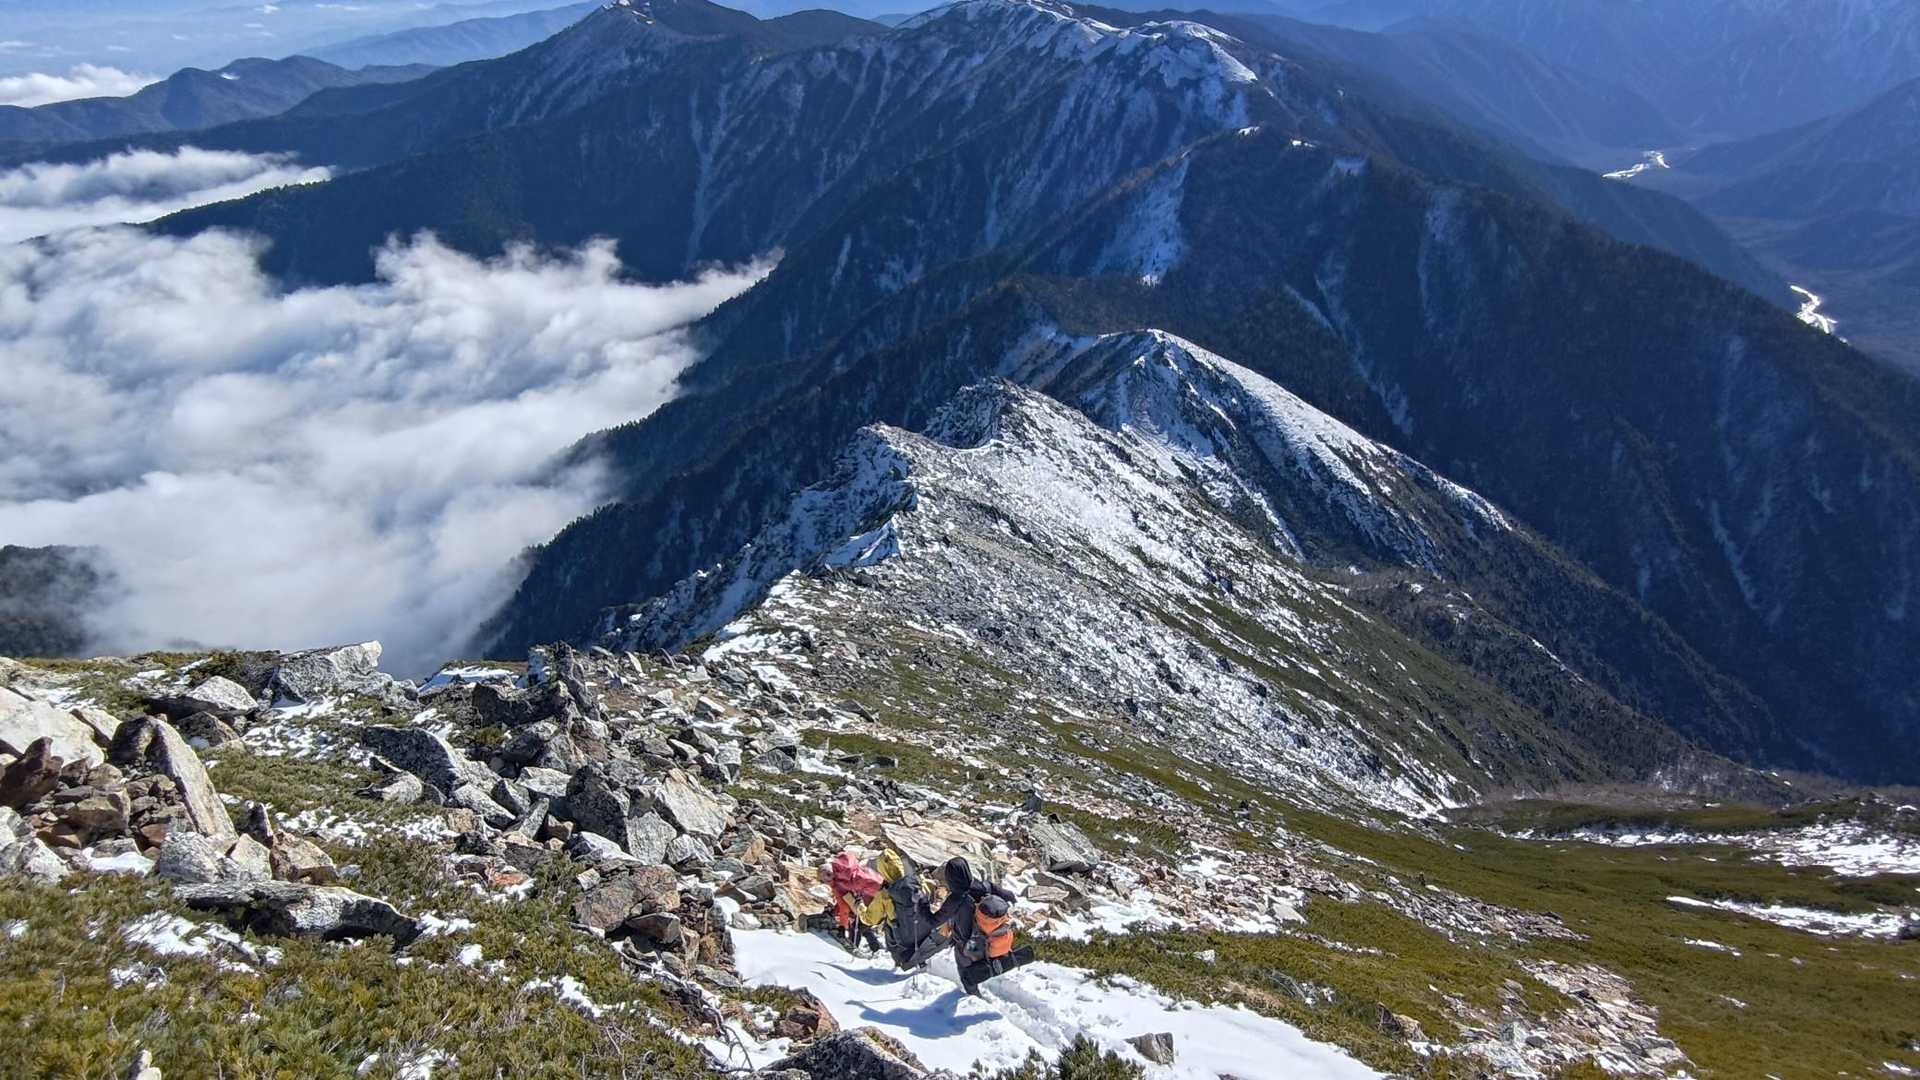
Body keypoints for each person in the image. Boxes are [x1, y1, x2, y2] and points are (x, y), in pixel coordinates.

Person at [930, 856, 1016, 994]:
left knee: (967, 975)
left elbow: (935, 921)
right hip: (987, 937)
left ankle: (974, 997)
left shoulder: (955, 899)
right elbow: (1009, 895)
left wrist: (921, 906)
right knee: (982, 961)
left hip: (966, 945)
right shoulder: (984, 886)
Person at [858, 849, 936, 970]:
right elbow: (929, 893)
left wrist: (860, 906)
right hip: (922, 926)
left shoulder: (885, 893)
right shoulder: (917, 881)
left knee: (889, 927)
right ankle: (922, 964)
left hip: (900, 934)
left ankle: (899, 964)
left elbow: (870, 919)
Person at [826, 851, 884, 954]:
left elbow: (843, 906)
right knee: (864, 927)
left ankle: (853, 950)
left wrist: (842, 926)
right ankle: (876, 948)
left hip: (865, 904)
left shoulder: (840, 884)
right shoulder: (854, 874)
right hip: (875, 901)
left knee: (858, 927)